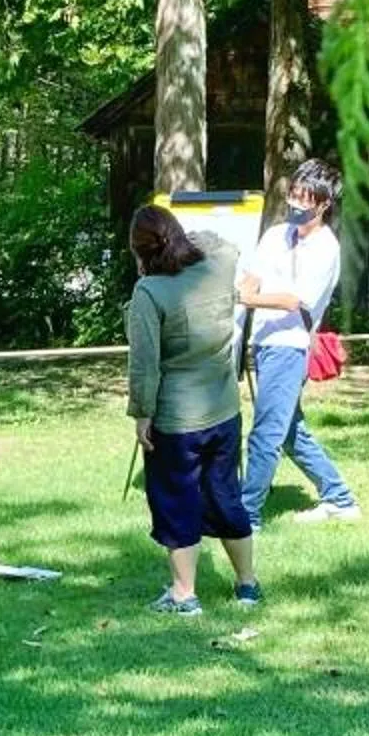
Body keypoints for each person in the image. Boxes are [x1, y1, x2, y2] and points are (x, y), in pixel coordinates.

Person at [126, 203, 259, 615]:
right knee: (225, 495)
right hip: (223, 409)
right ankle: (247, 584)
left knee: (176, 501)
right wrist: (184, 239)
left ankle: (184, 594)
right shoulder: (218, 265)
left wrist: (142, 414)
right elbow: (222, 242)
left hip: (176, 418)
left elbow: (144, 364)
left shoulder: (149, 292)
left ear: (139, 250)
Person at [237, 159, 363, 526]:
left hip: (290, 347)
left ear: (324, 204)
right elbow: (251, 277)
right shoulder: (275, 235)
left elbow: (294, 300)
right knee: (289, 430)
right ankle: (339, 499)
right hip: (263, 342)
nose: (296, 203)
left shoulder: (326, 248)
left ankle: (246, 517)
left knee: (266, 434)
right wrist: (246, 292)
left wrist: (247, 298)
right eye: (293, 194)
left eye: (305, 198)